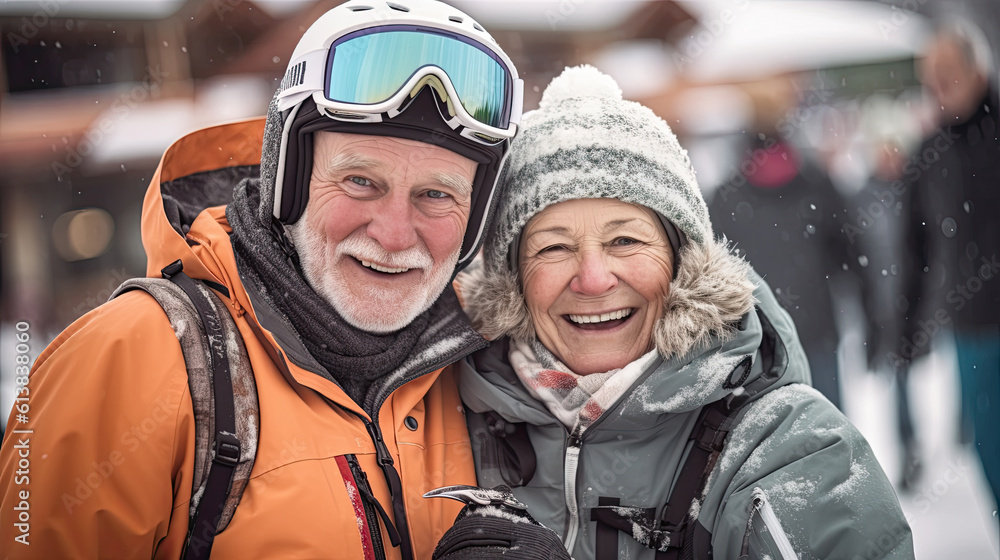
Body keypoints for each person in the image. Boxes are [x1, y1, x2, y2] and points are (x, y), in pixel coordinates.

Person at [0, 1, 524, 558]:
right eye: (360, 181)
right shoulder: (128, 361)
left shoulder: (488, 377)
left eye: (436, 195)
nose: (395, 236)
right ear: (288, 183)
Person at [439, 66, 913, 559]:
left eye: (625, 240)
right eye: (554, 247)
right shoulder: (445, 416)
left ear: (681, 263)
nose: (594, 279)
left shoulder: (792, 452)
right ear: (513, 281)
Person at [900, 18, 1000, 510]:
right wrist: (905, 323)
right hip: (973, 326)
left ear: (977, 69)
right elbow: (913, 247)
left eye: (947, 72)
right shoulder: (928, 154)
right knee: (992, 448)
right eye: (929, 76)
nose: (937, 85)